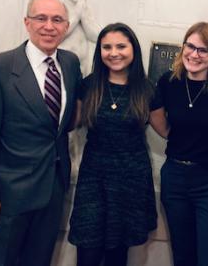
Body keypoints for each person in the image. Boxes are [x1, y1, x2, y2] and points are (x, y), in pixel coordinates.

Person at [0, 0, 82, 266]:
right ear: (27, 22)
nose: (49, 26)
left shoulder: (70, 64)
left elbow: (63, 122)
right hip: (7, 197)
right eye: (41, 18)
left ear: (66, 26)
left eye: (57, 20)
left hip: (53, 191)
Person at [149, 22, 208, 266]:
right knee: (182, 256)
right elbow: (160, 123)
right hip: (175, 178)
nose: (194, 54)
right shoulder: (169, 82)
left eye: (203, 50)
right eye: (190, 46)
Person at [68, 23, 157, 266]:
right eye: (107, 47)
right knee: (87, 248)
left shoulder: (147, 90)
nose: (113, 52)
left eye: (121, 46)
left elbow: (168, 130)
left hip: (131, 178)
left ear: (133, 50)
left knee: (118, 253)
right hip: (93, 177)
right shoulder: (88, 85)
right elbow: (71, 123)